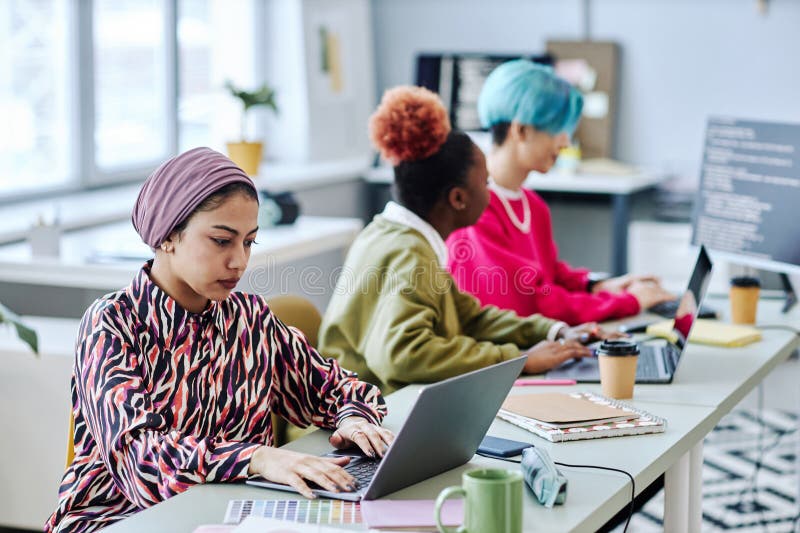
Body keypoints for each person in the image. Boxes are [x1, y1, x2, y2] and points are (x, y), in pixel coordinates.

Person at [46, 148, 394, 533]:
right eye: (221, 240)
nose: (239, 261)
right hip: (120, 519)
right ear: (167, 236)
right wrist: (257, 458)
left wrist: (354, 419)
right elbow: (142, 464)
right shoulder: (112, 324)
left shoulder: (250, 318)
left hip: (236, 515)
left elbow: (336, 387)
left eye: (249, 242)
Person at [318, 86, 618, 395]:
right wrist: (517, 360)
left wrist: (554, 330)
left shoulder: (393, 234)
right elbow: (405, 354)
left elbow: (470, 317)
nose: (490, 192)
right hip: (363, 410)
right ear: (458, 199)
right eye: (485, 182)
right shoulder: (410, 253)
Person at [446, 59, 674, 326]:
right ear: (521, 130)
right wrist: (629, 302)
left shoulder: (533, 205)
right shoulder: (475, 212)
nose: (566, 141)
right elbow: (532, 303)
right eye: (557, 129)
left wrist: (596, 285)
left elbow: (548, 276)